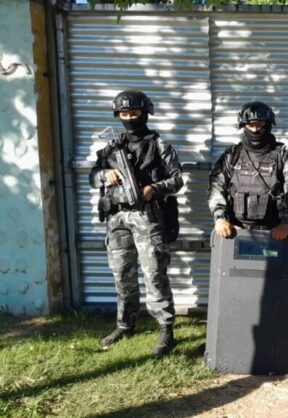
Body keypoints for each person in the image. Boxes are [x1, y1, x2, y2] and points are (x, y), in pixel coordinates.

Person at [90, 90, 183, 358]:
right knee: (122, 273)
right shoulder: (111, 147)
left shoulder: (159, 145)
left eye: (134, 113)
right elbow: (93, 177)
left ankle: (165, 328)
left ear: (145, 113)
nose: (129, 118)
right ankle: (125, 324)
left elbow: (177, 179)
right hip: (117, 217)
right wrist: (105, 175)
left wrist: (154, 188)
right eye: (124, 113)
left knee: (154, 273)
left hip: (147, 216)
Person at [208, 101, 288, 240]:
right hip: (237, 232)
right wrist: (220, 218)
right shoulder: (232, 155)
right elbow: (216, 185)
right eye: (250, 125)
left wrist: (286, 222)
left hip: (274, 233)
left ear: (268, 125)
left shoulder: (283, 155)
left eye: (260, 125)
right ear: (243, 126)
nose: (255, 130)